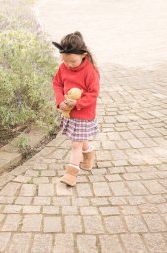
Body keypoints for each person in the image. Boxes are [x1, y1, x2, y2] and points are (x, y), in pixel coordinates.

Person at [52, 31, 100, 187]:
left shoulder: (90, 71)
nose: (69, 65)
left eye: (73, 61)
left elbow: (93, 94)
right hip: (69, 112)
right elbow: (57, 84)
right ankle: (89, 155)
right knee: (80, 139)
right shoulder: (63, 68)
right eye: (65, 61)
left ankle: (71, 174)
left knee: (75, 144)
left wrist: (77, 104)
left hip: (84, 113)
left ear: (83, 55)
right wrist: (60, 102)